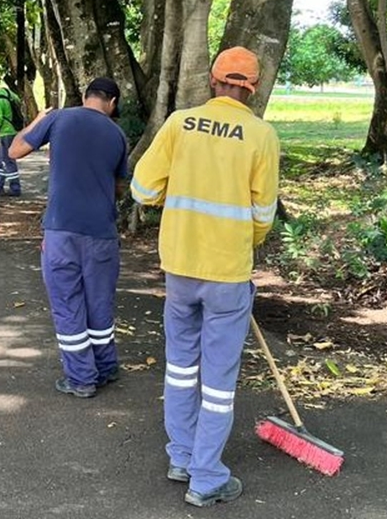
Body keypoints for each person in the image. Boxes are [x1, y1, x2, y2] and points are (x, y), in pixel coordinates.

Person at [130, 47, 280, 507]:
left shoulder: (179, 124)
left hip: (180, 269)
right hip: (228, 274)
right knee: (218, 380)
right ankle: (207, 475)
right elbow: (263, 216)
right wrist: (241, 243)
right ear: (251, 89)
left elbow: (142, 189)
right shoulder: (262, 136)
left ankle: (181, 455)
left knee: (180, 367)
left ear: (213, 81)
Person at [9, 77, 129, 399]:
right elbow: (119, 187)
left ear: (86, 96)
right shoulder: (118, 135)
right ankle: (106, 367)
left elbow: (15, 150)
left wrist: (37, 119)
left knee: (67, 303)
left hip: (62, 231)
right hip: (102, 233)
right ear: (112, 103)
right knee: (99, 303)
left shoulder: (59, 118)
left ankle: (81, 378)